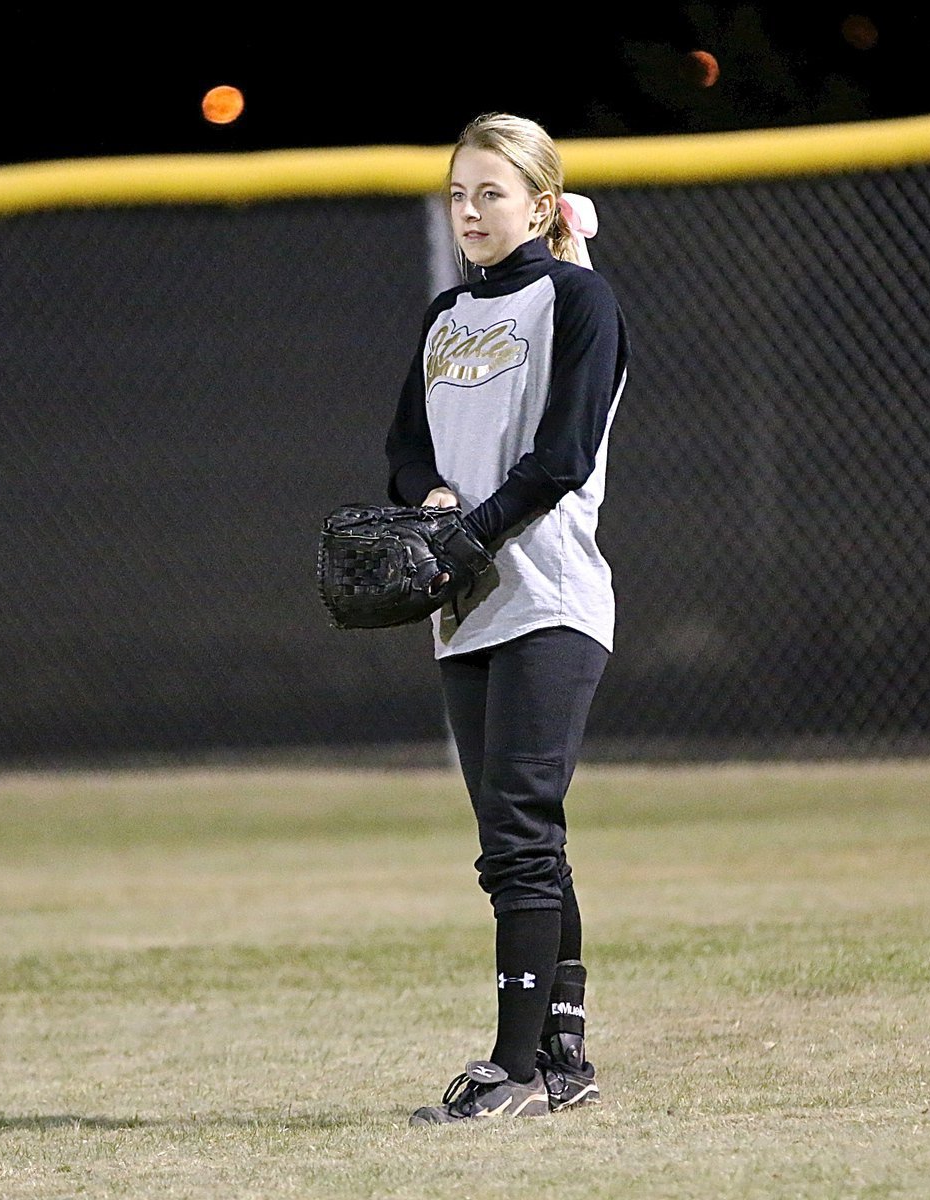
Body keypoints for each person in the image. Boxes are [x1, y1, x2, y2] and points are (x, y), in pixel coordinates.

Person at [385, 111, 630, 1125]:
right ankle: (563, 1055)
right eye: (458, 193)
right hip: (466, 608)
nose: (472, 210)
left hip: (548, 597)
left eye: (492, 191)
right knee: (515, 836)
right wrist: (430, 504)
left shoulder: (576, 299)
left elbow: (563, 454)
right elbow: (403, 445)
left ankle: (511, 1067)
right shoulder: (445, 315)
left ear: (538, 201)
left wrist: (472, 533)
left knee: (518, 839)